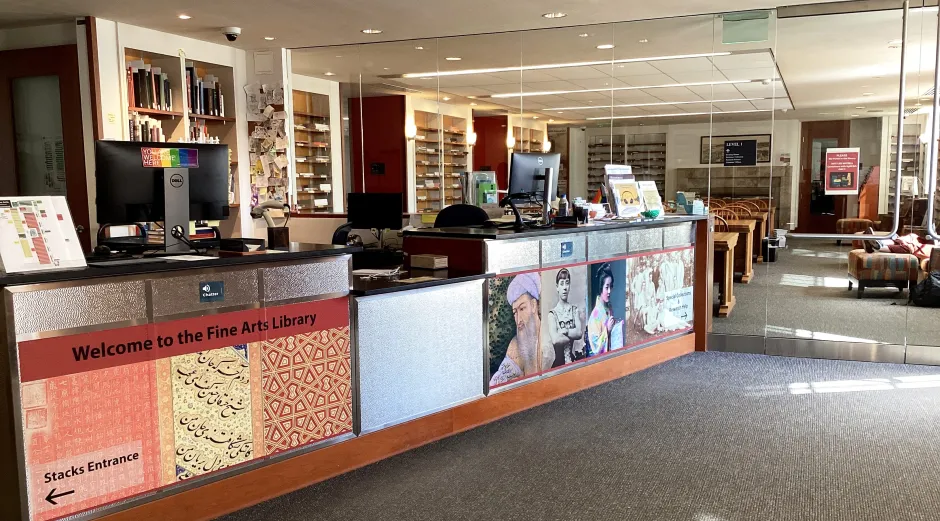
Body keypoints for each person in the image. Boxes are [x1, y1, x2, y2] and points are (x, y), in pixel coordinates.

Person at [490, 273, 543, 386]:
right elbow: (499, 381)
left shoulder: (547, 334)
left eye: (522, 308)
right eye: (515, 312)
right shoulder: (516, 344)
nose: (518, 319)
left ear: (533, 305)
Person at [546, 268, 584, 368]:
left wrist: (566, 331)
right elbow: (555, 340)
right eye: (561, 283)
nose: (565, 287)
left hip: (572, 361)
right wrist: (573, 333)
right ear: (557, 287)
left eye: (567, 283)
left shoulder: (574, 310)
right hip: (558, 365)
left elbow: (579, 333)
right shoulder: (552, 314)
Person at [587, 263, 616, 356]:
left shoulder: (609, 307)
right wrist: (607, 330)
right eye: (606, 287)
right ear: (600, 287)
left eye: (610, 286)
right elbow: (595, 349)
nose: (609, 291)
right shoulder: (595, 315)